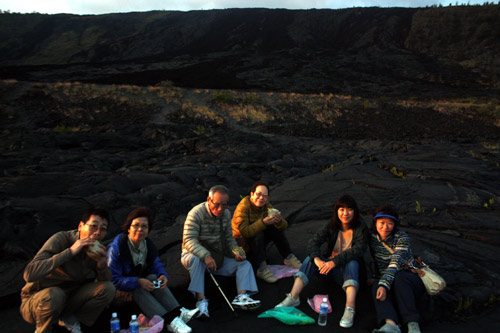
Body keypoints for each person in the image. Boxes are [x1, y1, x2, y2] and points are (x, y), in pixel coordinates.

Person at [275, 194, 369, 328]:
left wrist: (334, 261)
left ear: (355, 211)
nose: (345, 213)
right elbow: (313, 242)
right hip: (330, 271)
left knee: (352, 262)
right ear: (337, 211)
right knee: (310, 259)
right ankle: (293, 297)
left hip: (349, 274)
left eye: (349, 209)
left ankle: (350, 308)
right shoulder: (333, 224)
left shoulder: (360, 227)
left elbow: (358, 250)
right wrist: (318, 259)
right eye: (341, 209)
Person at [20, 206, 116, 333]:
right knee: (54, 295)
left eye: (103, 229)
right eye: (93, 226)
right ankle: (43, 330)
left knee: (108, 288)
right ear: (81, 226)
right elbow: (29, 273)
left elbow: (105, 282)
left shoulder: (95, 251)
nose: (97, 232)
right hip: (37, 301)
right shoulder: (62, 239)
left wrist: (102, 266)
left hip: (69, 300)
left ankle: (75, 324)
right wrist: (70, 252)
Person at [107, 207, 198, 333]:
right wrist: (138, 281)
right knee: (138, 287)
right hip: (116, 293)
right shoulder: (117, 249)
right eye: (136, 225)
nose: (140, 229)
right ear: (128, 228)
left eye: (144, 226)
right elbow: (113, 280)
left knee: (154, 278)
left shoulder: (146, 245)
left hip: (134, 284)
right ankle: (170, 321)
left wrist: (163, 275)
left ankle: (179, 312)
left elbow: (156, 264)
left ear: (148, 230)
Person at [181, 185, 260, 318]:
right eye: (216, 204)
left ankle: (241, 296)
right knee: (195, 259)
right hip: (194, 256)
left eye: (224, 205)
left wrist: (237, 251)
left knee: (245, 264)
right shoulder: (196, 213)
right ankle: (201, 302)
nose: (220, 209)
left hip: (216, 257)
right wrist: (205, 255)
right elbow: (188, 240)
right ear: (208, 200)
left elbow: (229, 238)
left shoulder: (226, 214)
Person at [231, 181, 301, 283]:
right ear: (252, 194)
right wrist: (263, 223)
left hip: (256, 242)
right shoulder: (243, 208)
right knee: (259, 230)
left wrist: (279, 221)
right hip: (240, 245)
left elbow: (284, 226)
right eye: (258, 194)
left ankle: (288, 257)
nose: (261, 198)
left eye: (265, 195)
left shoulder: (266, 205)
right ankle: (262, 268)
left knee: (274, 226)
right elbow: (244, 232)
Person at [369, 204, 424, 333]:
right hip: (389, 280)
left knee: (399, 278)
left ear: (395, 225)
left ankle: (412, 324)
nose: (385, 227)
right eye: (382, 223)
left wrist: (384, 284)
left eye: (390, 223)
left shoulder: (402, 237)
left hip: (409, 278)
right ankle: (390, 324)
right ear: (375, 222)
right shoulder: (371, 238)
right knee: (377, 284)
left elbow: (395, 263)